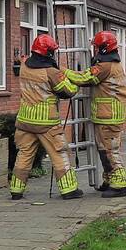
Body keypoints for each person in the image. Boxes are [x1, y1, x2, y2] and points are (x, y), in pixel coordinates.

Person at [11, 34, 83, 200]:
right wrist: (76, 82)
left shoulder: (24, 66)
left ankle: (16, 190)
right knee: (60, 153)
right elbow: (68, 91)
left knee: (24, 155)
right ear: (49, 53)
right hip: (47, 123)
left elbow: (20, 60)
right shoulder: (51, 72)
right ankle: (69, 190)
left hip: (25, 121)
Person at [66, 30, 126, 197]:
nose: (94, 50)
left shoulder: (105, 66)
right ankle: (110, 180)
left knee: (110, 151)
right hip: (107, 114)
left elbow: (84, 78)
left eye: (96, 47)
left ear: (103, 48)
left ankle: (119, 185)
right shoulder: (111, 64)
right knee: (104, 150)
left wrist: (63, 72)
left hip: (108, 116)